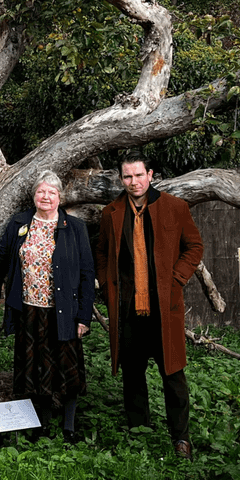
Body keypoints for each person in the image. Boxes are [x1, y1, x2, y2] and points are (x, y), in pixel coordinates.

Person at [0, 171, 95, 439]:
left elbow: (87, 274)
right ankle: (41, 425)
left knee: (68, 368)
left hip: (63, 312)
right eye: (41, 191)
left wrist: (84, 317)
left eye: (51, 192)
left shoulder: (74, 228)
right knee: (36, 368)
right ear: (34, 196)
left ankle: (68, 427)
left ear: (59, 197)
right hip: (29, 311)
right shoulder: (20, 223)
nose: (46, 196)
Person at [95, 152, 204, 458]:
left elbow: (194, 246)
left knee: (173, 375)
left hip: (163, 309)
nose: (134, 182)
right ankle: (138, 432)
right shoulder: (111, 213)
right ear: (121, 179)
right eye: (127, 177)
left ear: (150, 175)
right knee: (132, 374)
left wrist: (177, 280)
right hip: (128, 309)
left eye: (138, 175)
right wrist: (107, 287)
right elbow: (101, 253)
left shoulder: (174, 207)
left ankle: (181, 437)